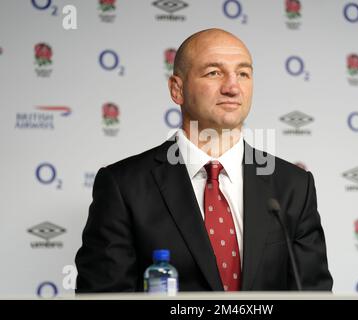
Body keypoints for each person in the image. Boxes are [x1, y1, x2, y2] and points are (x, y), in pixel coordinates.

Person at [75, 28, 333, 292]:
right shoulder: (123, 186)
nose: (233, 87)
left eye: (243, 73)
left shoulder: (294, 186)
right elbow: (104, 296)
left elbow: (313, 294)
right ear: (177, 89)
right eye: (214, 73)